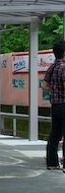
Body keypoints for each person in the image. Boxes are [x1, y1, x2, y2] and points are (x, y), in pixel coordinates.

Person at [42, 40, 65, 170]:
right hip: (64, 104)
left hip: (55, 105)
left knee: (55, 134)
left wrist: (55, 89)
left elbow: (44, 85)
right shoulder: (64, 67)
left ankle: (52, 163)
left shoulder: (52, 67)